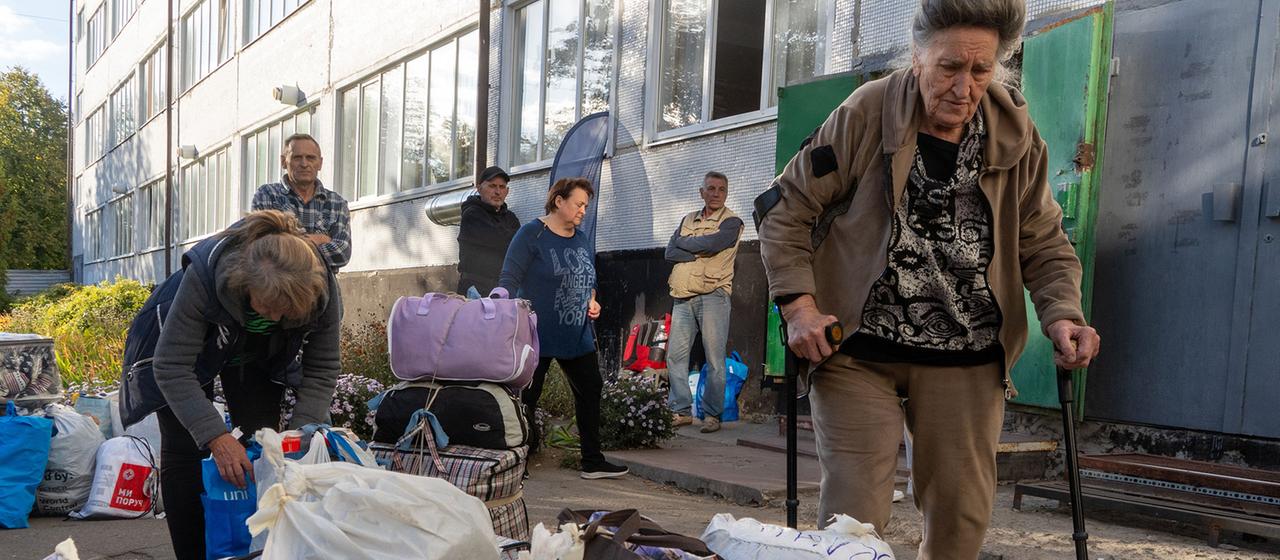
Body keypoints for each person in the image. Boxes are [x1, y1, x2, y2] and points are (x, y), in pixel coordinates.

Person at [756, 1, 1101, 557]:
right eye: (949, 67)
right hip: (857, 347)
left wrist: (1063, 314)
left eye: (981, 70)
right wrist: (798, 307)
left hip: (967, 352)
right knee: (853, 523)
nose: (964, 86)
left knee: (961, 522)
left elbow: (1042, 238)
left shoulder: (1016, 136)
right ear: (917, 57)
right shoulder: (868, 112)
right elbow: (786, 207)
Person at [146, 210, 341, 560]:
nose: (276, 318)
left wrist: (298, 436)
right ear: (244, 283)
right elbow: (172, 366)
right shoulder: (207, 276)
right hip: (177, 347)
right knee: (187, 449)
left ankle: (254, 550)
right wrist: (216, 438)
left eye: (287, 312)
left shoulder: (320, 287)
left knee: (262, 450)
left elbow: (323, 367)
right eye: (268, 307)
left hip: (254, 357)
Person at [498, 177, 629, 480]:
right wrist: (503, 314)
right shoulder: (531, 234)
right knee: (527, 398)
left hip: (576, 333)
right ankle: (518, 463)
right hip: (537, 333)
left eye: (586, 205)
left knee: (591, 390)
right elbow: (508, 278)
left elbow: (590, 278)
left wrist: (592, 300)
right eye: (578, 203)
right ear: (559, 201)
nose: (583, 210)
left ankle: (592, 461)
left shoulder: (581, 238)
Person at [663, 171, 743, 434]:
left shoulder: (732, 222)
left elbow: (714, 243)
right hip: (683, 296)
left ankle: (712, 415)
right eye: (711, 188)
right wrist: (694, 250)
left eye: (721, 189)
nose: (716, 193)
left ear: (726, 193)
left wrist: (686, 245)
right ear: (702, 192)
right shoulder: (687, 219)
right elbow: (669, 251)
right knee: (675, 356)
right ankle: (680, 411)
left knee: (715, 358)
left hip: (713, 296)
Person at [252, 133, 352, 272]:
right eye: (297, 158)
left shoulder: (336, 203)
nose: (304, 164)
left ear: (320, 163)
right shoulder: (267, 195)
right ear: (283, 162)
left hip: (323, 291)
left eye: (310, 158)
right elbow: (263, 248)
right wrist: (320, 239)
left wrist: (287, 242)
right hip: (277, 288)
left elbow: (342, 253)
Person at [457, 166, 520, 294]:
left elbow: (519, 247)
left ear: (507, 191)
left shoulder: (510, 217)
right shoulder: (472, 214)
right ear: (479, 188)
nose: (497, 192)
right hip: (475, 287)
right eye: (492, 186)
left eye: (502, 187)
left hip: (502, 287)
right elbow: (501, 241)